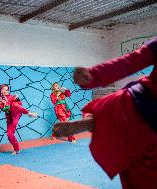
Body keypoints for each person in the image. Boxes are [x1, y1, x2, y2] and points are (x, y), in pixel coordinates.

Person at [53, 37, 157, 189]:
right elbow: (129, 62)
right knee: (139, 172)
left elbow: (129, 63)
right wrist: (92, 76)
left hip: (144, 115)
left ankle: (96, 121)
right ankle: (94, 120)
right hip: (141, 101)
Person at [0, 84, 38, 155]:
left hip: (16, 113)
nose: (5, 91)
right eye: (3, 89)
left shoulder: (11, 97)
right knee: (9, 134)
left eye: (6, 90)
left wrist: (17, 98)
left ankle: (29, 113)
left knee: (14, 105)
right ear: (0, 90)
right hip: (9, 116)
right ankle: (16, 150)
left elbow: (19, 104)